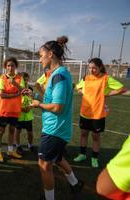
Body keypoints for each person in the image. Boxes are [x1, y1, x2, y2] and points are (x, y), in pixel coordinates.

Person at [30, 36, 84, 200]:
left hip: (55, 129)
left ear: (50, 54)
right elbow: (51, 99)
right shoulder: (58, 74)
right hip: (57, 127)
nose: (40, 59)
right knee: (58, 158)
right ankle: (75, 184)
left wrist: (38, 104)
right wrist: (34, 96)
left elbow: (57, 107)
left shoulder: (58, 76)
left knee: (44, 164)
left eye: (41, 55)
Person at [73, 58, 127, 168]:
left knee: (95, 136)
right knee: (83, 134)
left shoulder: (106, 78)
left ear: (100, 67)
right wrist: (82, 91)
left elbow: (121, 89)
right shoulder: (86, 78)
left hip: (98, 113)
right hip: (85, 112)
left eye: (94, 68)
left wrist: (107, 94)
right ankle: (82, 154)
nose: (91, 70)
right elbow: (78, 87)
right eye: (90, 68)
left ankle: (94, 158)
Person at [0, 57, 25, 162]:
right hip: (4, 110)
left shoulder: (20, 78)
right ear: (5, 67)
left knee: (12, 130)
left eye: (12, 65)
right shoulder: (2, 78)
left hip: (15, 110)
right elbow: (2, 95)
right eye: (8, 65)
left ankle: (10, 150)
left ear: (15, 66)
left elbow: (23, 91)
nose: (10, 67)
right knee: (1, 131)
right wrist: (16, 94)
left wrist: (15, 84)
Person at [14, 72, 35, 155]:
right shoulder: (16, 89)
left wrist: (30, 107)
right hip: (19, 115)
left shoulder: (30, 89)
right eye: (24, 80)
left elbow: (33, 100)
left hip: (28, 116)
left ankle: (30, 145)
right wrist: (22, 109)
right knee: (17, 131)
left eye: (27, 79)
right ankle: (18, 146)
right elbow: (14, 102)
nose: (26, 81)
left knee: (30, 133)